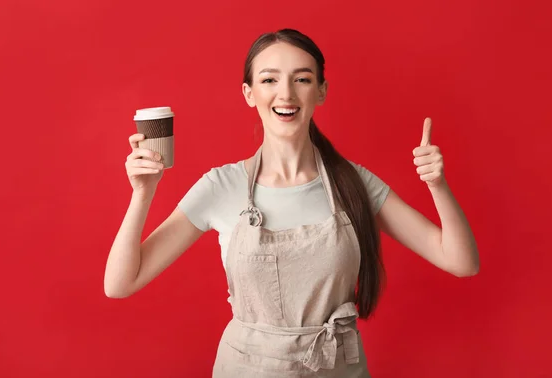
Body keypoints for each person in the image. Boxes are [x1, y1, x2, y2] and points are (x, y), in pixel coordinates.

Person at [104, 28, 479, 377]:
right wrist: (143, 192)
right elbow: (120, 283)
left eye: (301, 79)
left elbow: (460, 262)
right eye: (269, 79)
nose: (286, 94)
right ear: (249, 93)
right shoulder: (221, 187)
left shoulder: (354, 183)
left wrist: (437, 186)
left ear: (321, 90)